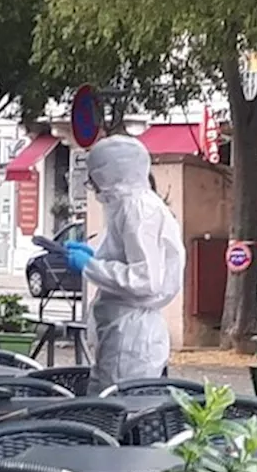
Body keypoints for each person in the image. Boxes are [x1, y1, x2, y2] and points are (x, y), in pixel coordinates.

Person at [64, 136, 185, 395]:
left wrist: (91, 267)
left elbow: (146, 280)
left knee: (117, 413)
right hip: (125, 329)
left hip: (131, 336)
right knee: (109, 406)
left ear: (108, 172)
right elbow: (129, 260)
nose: (93, 185)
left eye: (94, 176)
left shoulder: (138, 209)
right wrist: (95, 258)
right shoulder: (131, 206)